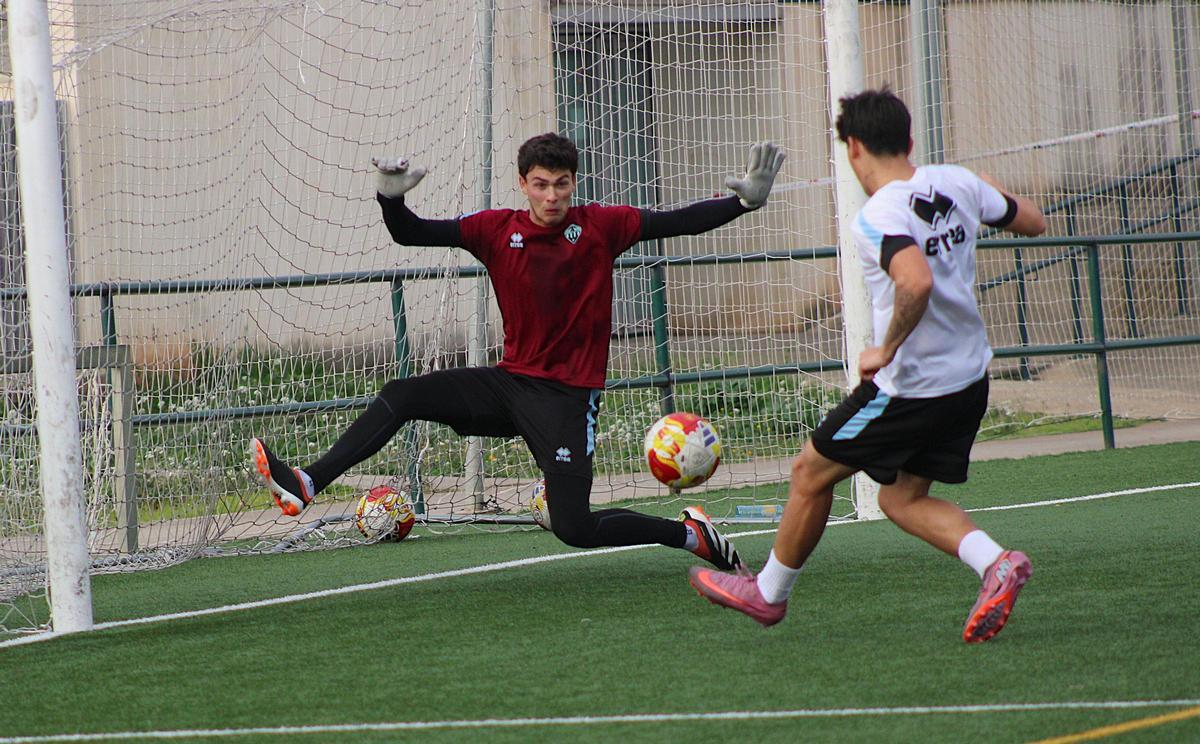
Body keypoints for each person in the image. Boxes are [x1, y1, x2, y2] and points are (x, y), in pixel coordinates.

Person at [250, 132, 787, 570]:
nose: (552, 196)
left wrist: (743, 203)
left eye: (561, 184)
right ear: (523, 184)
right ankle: (307, 481)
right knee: (403, 394)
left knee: (575, 527)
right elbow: (411, 234)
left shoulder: (601, 226)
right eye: (541, 185)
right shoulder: (495, 230)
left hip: (566, 399)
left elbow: (678, 221)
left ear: (574, 183)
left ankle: (689, 535)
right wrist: (390, 198)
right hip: (508, 385)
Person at [689, 88, 1047, 643]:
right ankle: (996, 563)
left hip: (911, 387)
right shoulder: (957, 182)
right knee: (901, 498)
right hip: (968, 380)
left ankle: (768, 594)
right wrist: (978, 191)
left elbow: (915, 281)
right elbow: (1033, 221)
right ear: (909, 139)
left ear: (853, 147)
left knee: (810, 471)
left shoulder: (878, 214)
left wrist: (885, 349)